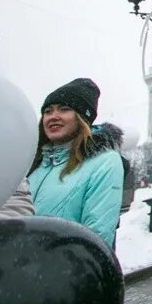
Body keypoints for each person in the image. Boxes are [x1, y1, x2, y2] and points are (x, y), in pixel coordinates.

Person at [28, 78, 125, 250]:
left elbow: (96, 237)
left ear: (81, 118)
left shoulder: (104, 162)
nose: (53, 117)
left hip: (62, 271)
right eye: (48, 111)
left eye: (64, 109)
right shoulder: (32, 162)